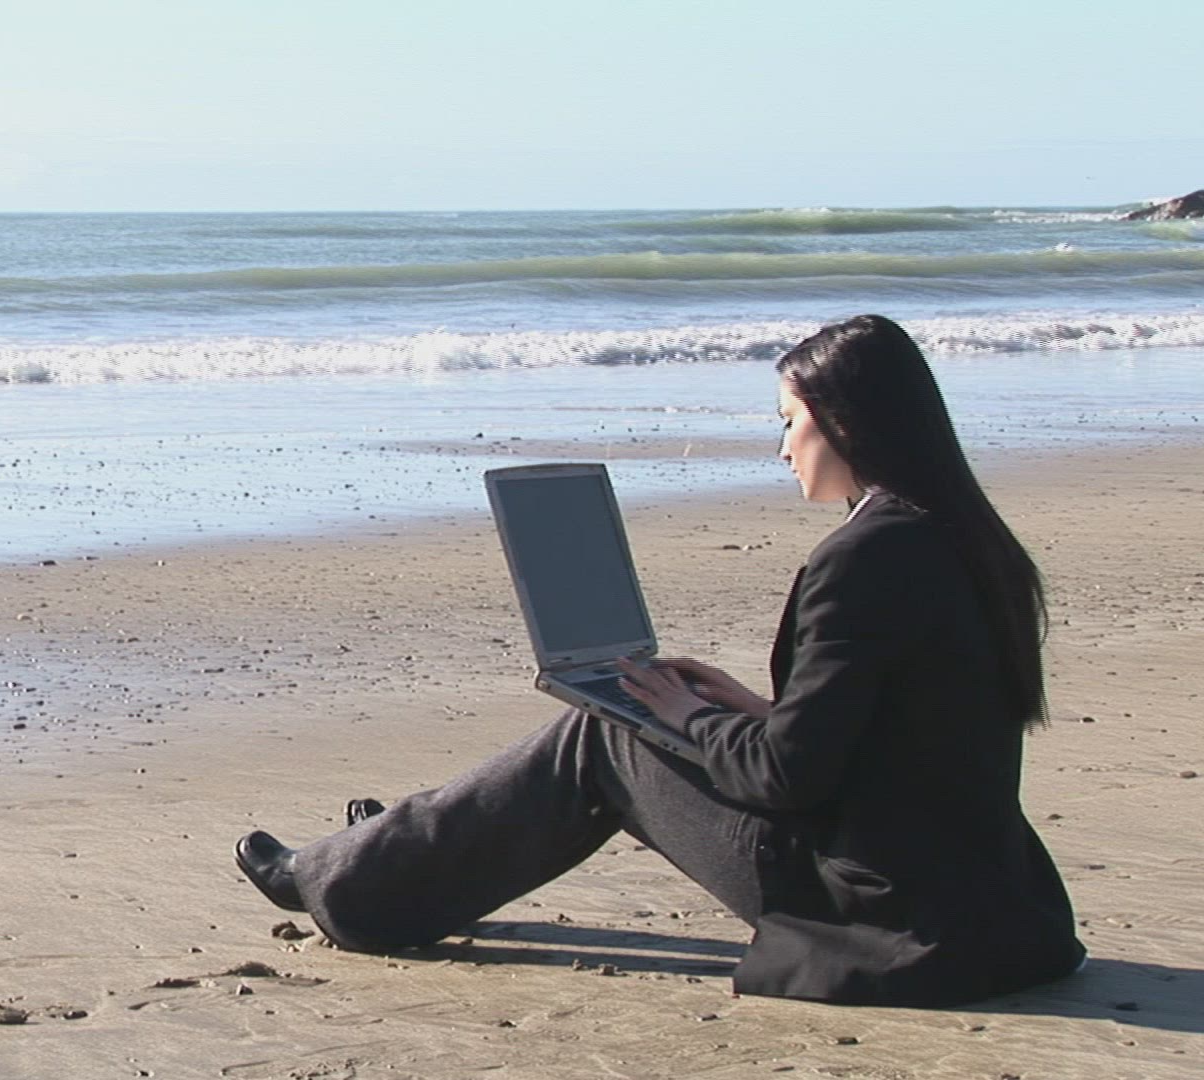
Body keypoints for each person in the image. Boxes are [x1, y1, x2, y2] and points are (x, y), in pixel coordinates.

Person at [233, 314, 1085, 1007]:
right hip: (992, 907)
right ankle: (397, 853)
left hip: (886, 918)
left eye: (788, 422)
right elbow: (909, 733)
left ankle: (342, 884)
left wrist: (689, 717)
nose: (783, 449)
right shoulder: (968, 539)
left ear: (841, 422)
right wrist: (756, 710)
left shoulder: (863, 557)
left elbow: (789, 779)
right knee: (626, 720)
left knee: (604, 735)